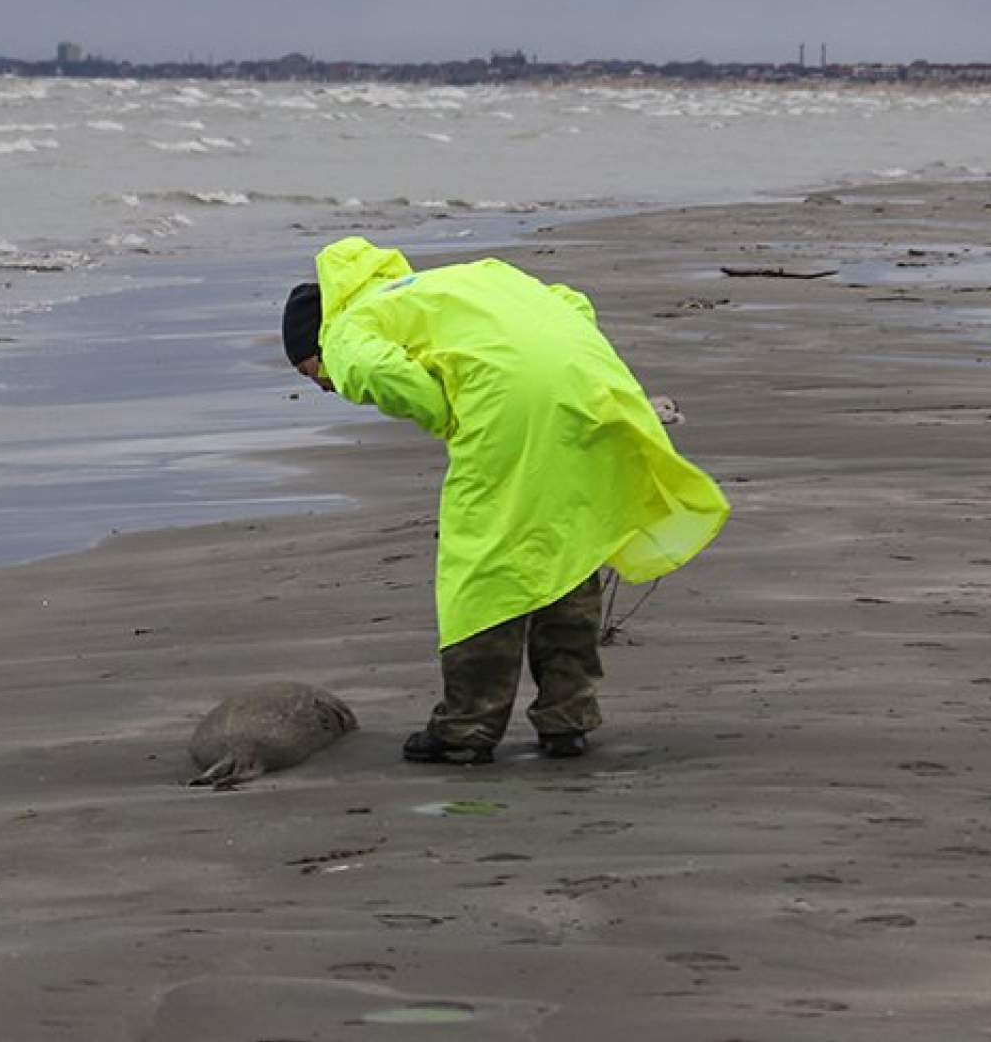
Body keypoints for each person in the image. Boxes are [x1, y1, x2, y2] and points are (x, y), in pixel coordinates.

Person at [282, 237, 729, 764]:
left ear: (315, 342)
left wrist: (447, 413)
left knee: (483, 559)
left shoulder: (348, 326)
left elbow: (381, 373)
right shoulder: (458, 279)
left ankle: (467, 729)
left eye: (310, 372)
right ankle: (568, 720)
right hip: (590, 383)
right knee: (570, 542)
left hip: (512, 406)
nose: (322, 385)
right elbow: (572, 300)